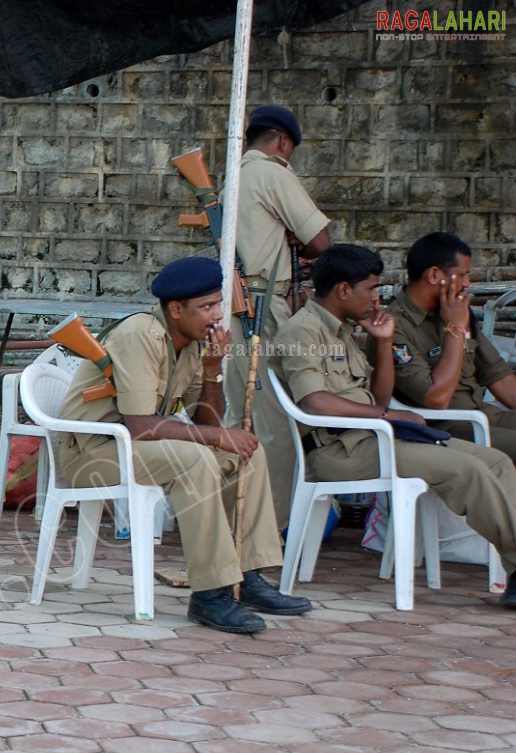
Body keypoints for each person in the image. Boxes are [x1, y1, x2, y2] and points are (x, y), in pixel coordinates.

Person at [58, 256, 311, 634]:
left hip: (134, 448)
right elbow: (142, 425)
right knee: (195, 459)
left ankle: (247, 575)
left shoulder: (192, 343)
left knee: (244, 453)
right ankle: (210, 595)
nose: (216, 317)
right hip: (93, 453)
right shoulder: (142, 334)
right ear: (175, 309)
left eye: (217, 305)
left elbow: (207, 420)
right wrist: (217, 436)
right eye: (206, 307)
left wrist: (213, 371)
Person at [273, 244, 516, 608]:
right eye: (370, 288)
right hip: (339, 452)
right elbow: (315, 402)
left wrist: (383, 342)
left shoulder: (343, 331)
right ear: (343, 290)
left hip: (377, 441)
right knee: (467, 469)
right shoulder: (302, 331)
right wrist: (388, 418)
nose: (377, 297)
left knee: (496, 462)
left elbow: (380, 400)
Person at [227, 105, 333, 530]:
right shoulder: (274, 173)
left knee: (240, 413)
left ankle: (237, 519)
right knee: (274, 420)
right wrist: (302, 246)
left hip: (234, 302)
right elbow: (322, 242)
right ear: (282, 142)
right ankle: (273, 526)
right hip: (263, 303)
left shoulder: (233, 176)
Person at [385, 232, 516, 459]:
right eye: (462, 275)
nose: (467, 283)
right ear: (435, 275)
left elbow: (497, 376)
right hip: (445, 427)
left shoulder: (453, 311)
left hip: (482, 414)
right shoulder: (394, 328)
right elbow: (436, 398)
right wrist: (455, 329)